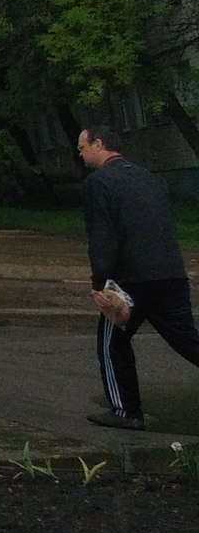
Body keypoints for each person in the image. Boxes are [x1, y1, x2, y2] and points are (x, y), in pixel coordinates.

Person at [79, 124, 199, 430]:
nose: (80, 154)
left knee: (111, 344)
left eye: (83, 147)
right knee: (187, 340)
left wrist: (100, 284)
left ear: (99, 144)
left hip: (129, 280)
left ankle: (126, 411)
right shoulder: (149, 178)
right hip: (170, 274)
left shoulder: (99, 182)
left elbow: (102, 236)